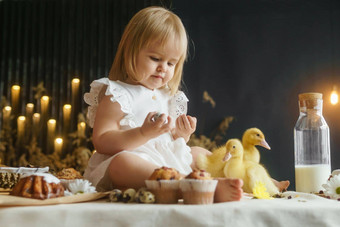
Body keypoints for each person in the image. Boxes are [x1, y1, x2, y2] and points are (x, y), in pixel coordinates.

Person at [84, 6, 244, 202]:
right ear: (130, 52)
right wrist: (142, 133)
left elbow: (171, 144)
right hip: (138, 164)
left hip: (166, 165)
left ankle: (248, 178)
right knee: (121, 163)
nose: (163, 68)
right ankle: (190, 186)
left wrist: (181, 135)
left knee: (199, 153)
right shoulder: (117, 93)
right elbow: (101, 141)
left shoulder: (168, 96)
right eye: (155, 58)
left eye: (171, 63)